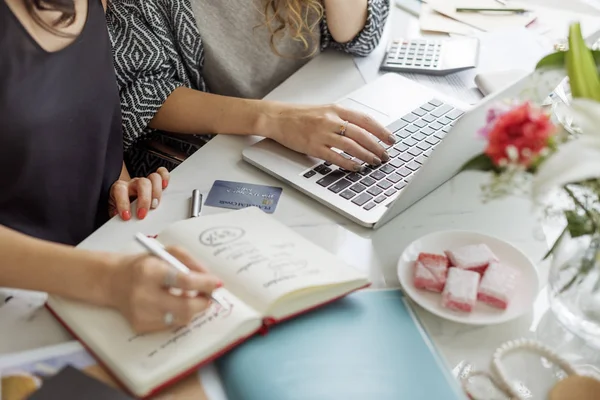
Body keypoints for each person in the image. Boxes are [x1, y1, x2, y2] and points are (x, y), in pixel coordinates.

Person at [0, 0, 220, 333]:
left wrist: (117, 185)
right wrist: (107, 280)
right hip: (27, 294)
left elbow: (84, 114)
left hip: (104, 259)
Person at [106, 0, 392, 177]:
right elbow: (142, 93)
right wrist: (274, 119)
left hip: (323, 117)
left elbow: (362, 36)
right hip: (230, 148)